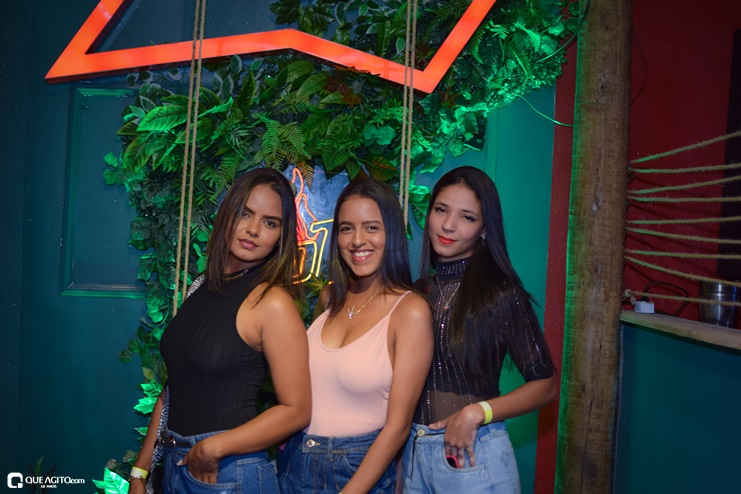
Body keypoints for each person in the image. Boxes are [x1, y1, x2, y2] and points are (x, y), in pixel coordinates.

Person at [127, 167, 311, 494]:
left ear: (281, 237)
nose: (253, 229)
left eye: (270, 223)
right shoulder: (201, 286)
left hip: (229, 472)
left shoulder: (273, 302)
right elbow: (173, 388)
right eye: (245, 213)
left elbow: (296, 411)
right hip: (175, 464)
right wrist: (140, 470)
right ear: (227, 214)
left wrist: (215, 447)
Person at [401, 166, 556, 493]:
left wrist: (477, 412)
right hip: (415, 456)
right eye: (441, 210)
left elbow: (545, 385)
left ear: (485, 230)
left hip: (473, 453)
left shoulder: (499, 293)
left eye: (467, 217)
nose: (448, 225)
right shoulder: (418, 292)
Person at [278, 177, 433, 494]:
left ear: (391, 233)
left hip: (354, 471)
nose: (357, 240)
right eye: (347, 228)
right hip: (294, 460)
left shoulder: (410, 311)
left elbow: (398, 426)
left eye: (371, 227)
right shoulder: (330, 298)